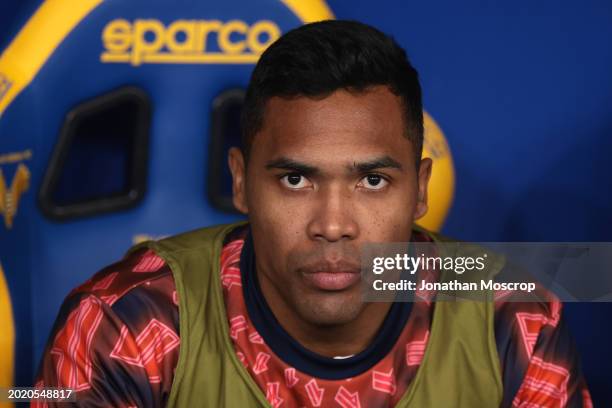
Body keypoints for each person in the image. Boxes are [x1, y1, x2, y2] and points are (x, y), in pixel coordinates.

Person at [35, 20, 591, 407]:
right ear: (240, 181)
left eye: (372, 180)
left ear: (419, 189)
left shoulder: (511, 312)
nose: (332, 224)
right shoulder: (126, 319)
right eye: (295, 179)